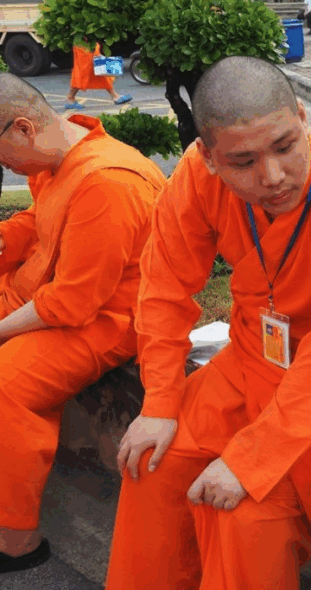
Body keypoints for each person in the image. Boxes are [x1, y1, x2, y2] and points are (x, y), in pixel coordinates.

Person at [105, 55, 311, 590]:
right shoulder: (196, 177)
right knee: (152, 463)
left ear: (303, 118)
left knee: (245, 514)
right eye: (243, 162)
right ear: (209, 157)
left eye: (285, 146)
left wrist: (253, 459)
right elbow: (162, 287)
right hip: (254, 356)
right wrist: (159, 401)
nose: (273, 177)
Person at [0, 73, 165, 574]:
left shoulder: (107, 182)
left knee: (5, 385)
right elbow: (40, 220)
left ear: (22, 128)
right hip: (42, 290)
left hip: (108, 319)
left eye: (0, 155)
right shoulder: (56, 154)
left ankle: (17, 540)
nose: (4, 168)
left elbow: (73, 303)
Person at [65, 40, 132, 110]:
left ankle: (115, 96)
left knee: (99, 71)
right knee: (84, 72)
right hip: (83, 45)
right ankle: (70, 97)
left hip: (88, 43)